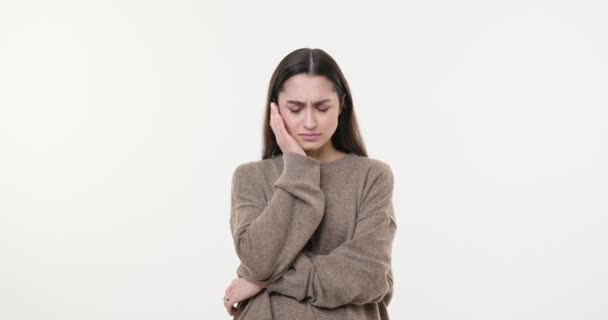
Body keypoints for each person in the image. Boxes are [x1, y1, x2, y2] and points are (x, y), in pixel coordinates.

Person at [223, 48, 396, 319]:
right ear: (275, 109)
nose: (309, 122)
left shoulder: (372, 176)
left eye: (322, 107)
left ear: (342, 105)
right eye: (295, 108)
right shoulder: (250, 177)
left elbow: (370, 276)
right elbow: (258, 260)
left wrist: (263, 281)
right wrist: (297, 167)